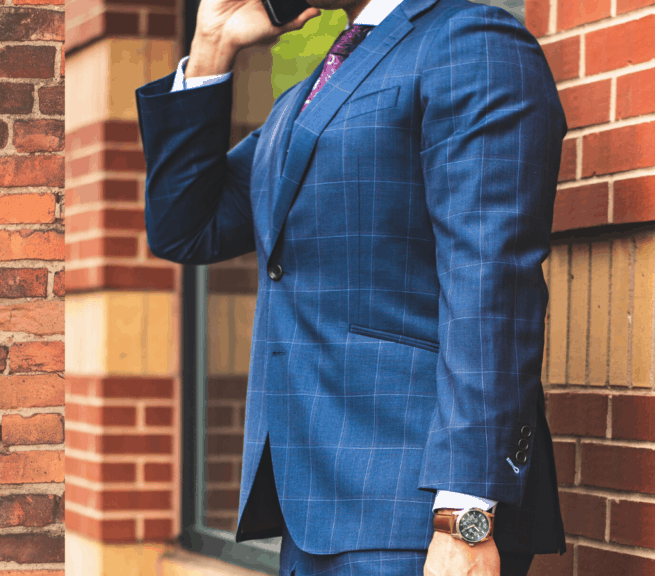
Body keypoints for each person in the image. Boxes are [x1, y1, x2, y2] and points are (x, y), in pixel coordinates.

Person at [134, 0, 567, 570]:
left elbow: (492, 286)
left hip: (415, 513)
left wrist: (466, 516)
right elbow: (185, 227)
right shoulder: (309, 95)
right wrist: (212, 45)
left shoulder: (472, 44)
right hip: (312, 510)